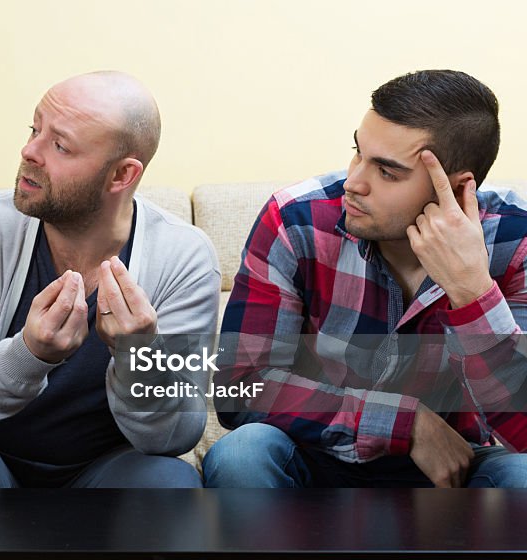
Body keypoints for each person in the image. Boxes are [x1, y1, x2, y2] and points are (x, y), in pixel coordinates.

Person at [204, 69, 527, 488]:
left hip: (456, 467)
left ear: (457, 186)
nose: (353, 183)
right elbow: (241, 387)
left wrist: (471, 291)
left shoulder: (516, 241)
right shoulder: (297, 220)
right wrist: (402, 422)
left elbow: (520, 431)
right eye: (358, 152)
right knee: (242, 453)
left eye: (387, 172)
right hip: (318, 451)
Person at [0, 71, 220, 488]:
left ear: (121, 175)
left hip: (109, 473)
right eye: (34, 129)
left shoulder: (184, 256)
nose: (29, 151)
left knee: (167, 484)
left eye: (59, 145)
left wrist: (138, 356)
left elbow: (174, 436)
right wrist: (29, 355)